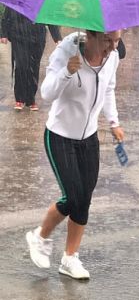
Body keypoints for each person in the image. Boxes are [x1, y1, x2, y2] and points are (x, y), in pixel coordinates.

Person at [25, 29, 124, 280]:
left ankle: (69, 258)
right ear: (91, 35)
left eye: (117, 41)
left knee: (84, 199)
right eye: (107, 41)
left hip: (88, 137)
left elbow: (109, 88)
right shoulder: (67, 50)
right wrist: (67, 72)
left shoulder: (111, 56)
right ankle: (40, 237)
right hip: (59, 135)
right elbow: (47, 93)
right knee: (74, 196)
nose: (112, 47)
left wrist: (113, 122)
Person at [0, 7, 62, 111]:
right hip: (18, 37)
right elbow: (6, 17)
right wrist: (3, 34)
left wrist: (57, 38)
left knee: (33, 67)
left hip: (37, 38)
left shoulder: (42, 1)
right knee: (21, 66)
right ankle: (19, 98)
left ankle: (30, 99)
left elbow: (50, 19)